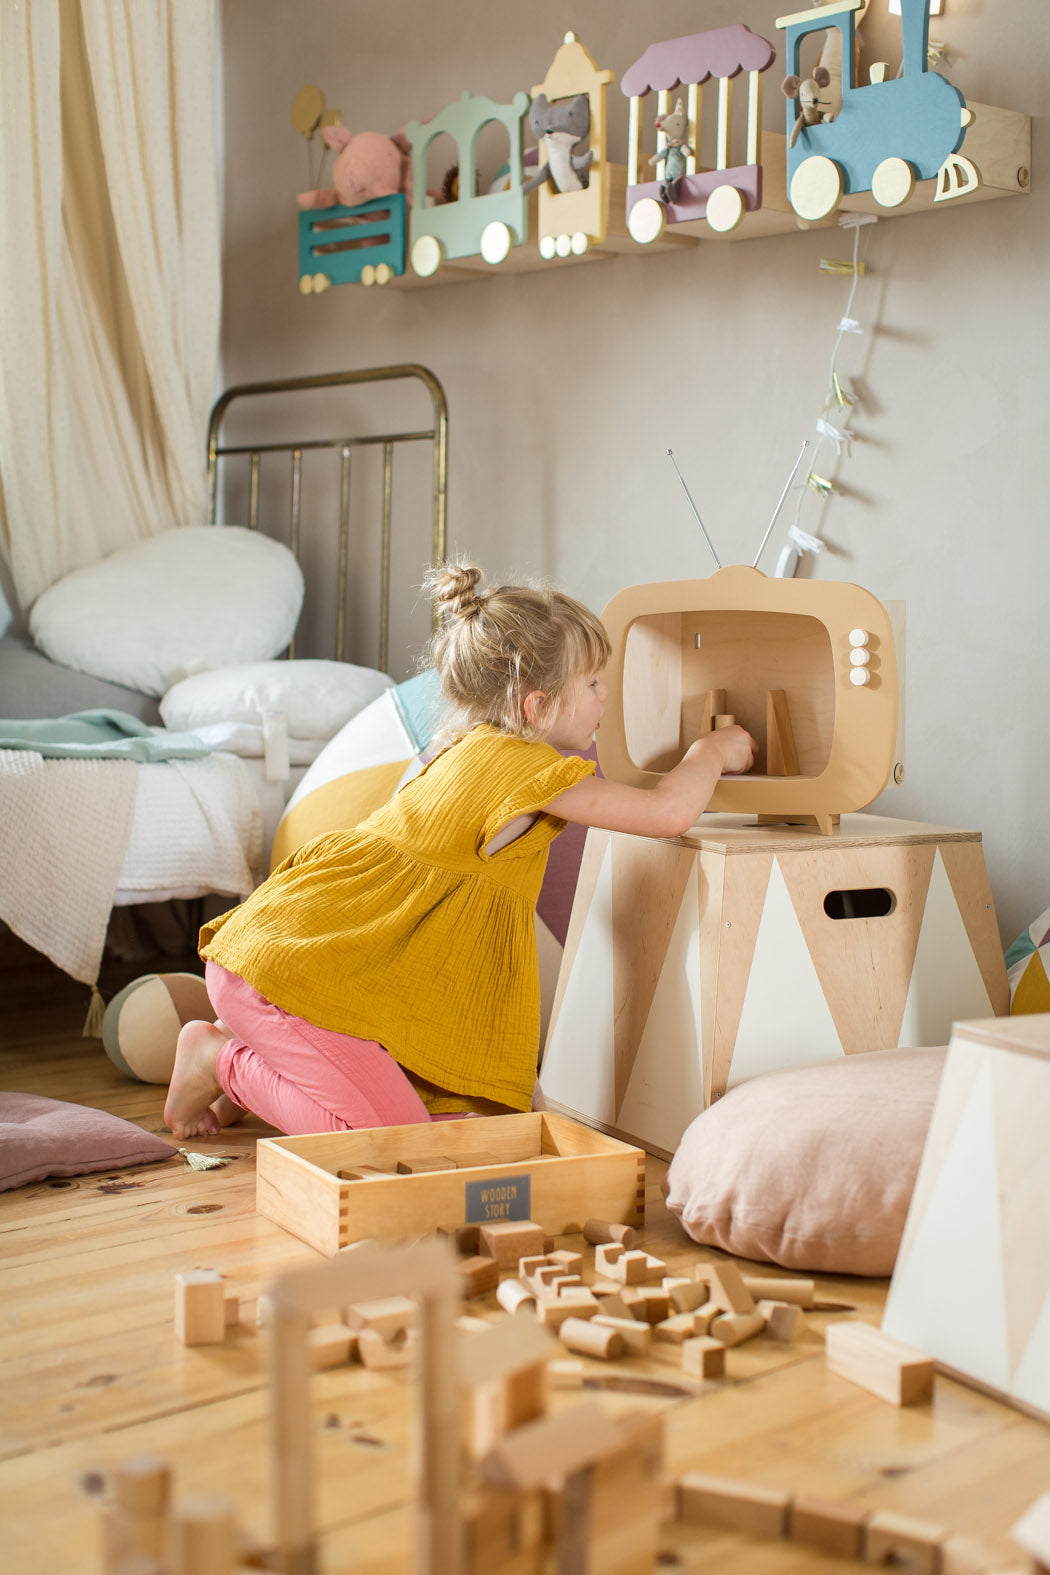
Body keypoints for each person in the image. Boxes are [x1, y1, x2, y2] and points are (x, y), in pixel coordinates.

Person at [164, 562, 757, 1140]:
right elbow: (667, 814)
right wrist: (712, 750)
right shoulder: (521, 766)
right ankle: (219, 1059)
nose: (606, 697)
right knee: (386, 1141)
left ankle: (250, 1058)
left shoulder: (478, 747)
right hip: (287, 970)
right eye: (594, 683)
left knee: (447, 1127)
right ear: (536, 705)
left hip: (303, 962)